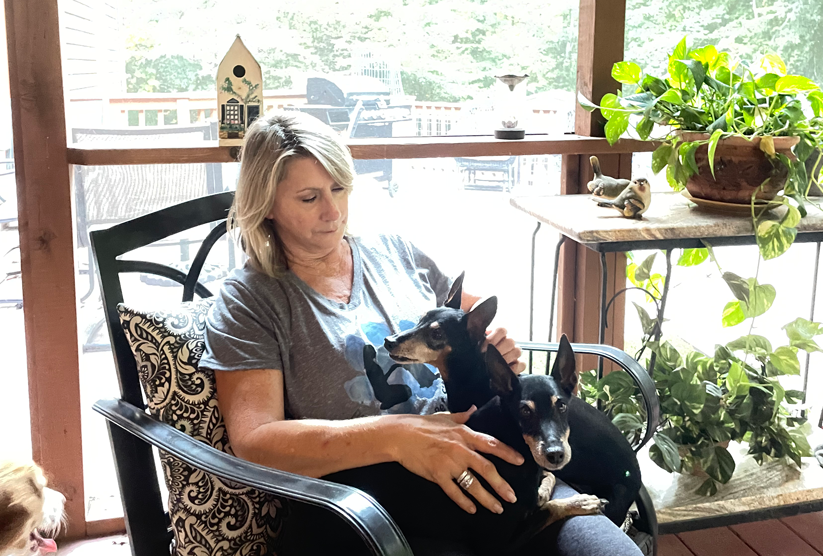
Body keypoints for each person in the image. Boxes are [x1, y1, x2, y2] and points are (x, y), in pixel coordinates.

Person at [200, 111, 643, 556]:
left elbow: (472, 323)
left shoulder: (395, 251)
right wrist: (398, 435)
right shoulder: (251, 299)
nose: (333, 212)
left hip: (503, 469)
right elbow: (255, 442)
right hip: (376, 504)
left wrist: (499, 346)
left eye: (338, 188)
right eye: (309, 197)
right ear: (268, 204)